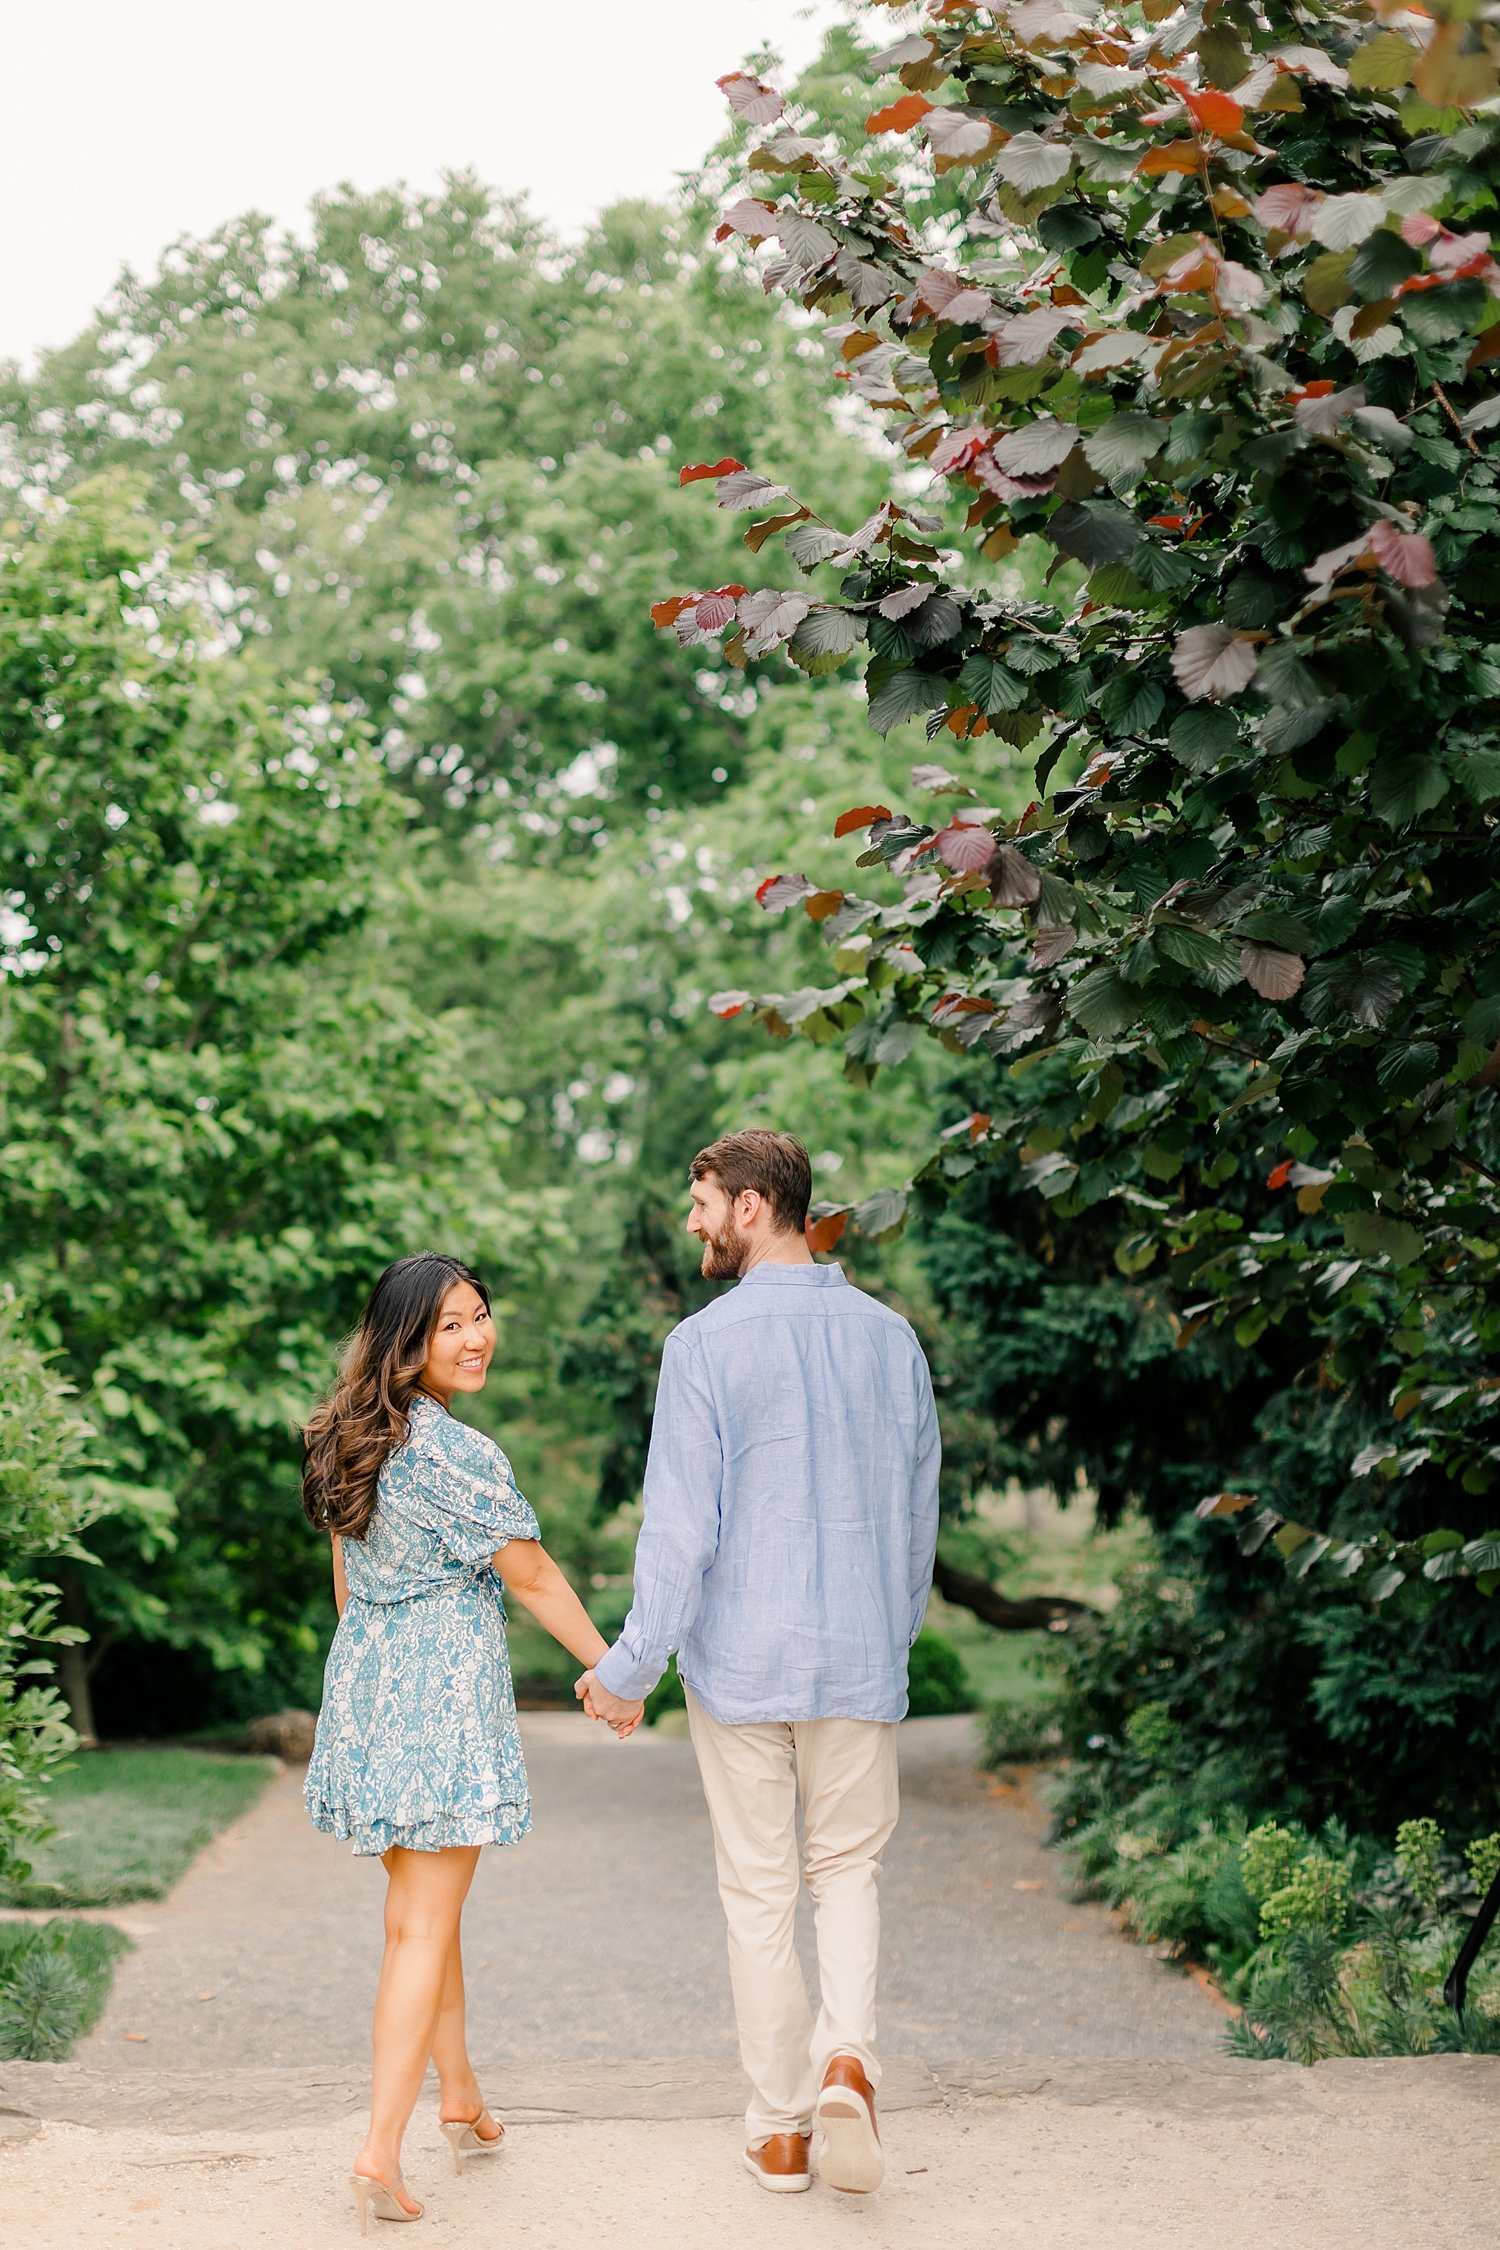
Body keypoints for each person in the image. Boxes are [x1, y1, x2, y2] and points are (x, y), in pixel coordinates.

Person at [577, 1130, 940, 2197]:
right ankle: (848, 2063)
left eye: (700, 1204)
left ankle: (781, 2130)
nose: (691, 1223)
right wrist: (888, 1634)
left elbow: (681, 1533)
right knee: (848, 1872)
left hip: (739, 1666)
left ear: (749, 1206)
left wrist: (630, 1668)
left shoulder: (703, 1348)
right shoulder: (892, 1340)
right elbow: (918, 1524)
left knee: (759, 1889)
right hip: (858, 1661)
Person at [302, 1252, 642, 2232]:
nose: (477, 1336)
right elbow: (531, 1575)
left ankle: (461, 2098)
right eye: (450, 1323)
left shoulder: (345, 1437)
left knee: (420, 1914)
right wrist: (612, 1672)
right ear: (405, 1339)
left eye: (481, 1316)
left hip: (366, 1682)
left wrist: (368, 1680)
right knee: (422, 1924)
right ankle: (377, 2150)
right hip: (440, 1697)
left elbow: (344, 1581)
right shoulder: (455, 1451)